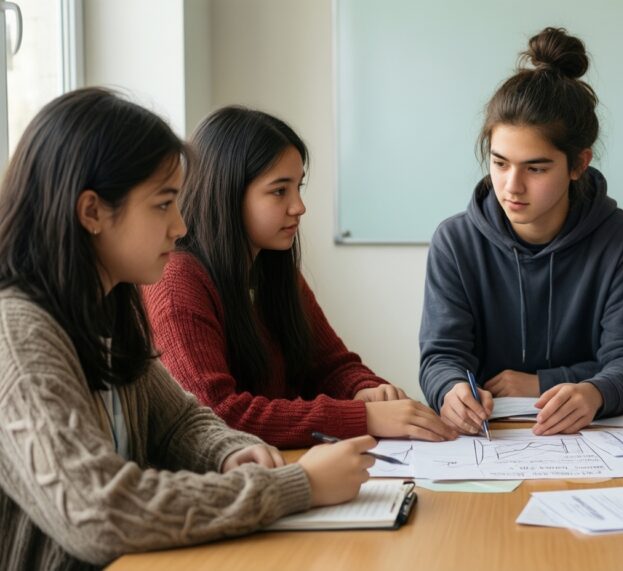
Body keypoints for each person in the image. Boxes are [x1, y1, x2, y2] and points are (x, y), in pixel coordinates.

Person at [0, 88, 376, 569]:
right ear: (91, 212)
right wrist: (294, 485)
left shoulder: (108, 305)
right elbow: (98, 512)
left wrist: (228, 452)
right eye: (163, 204)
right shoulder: (18, 332)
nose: (180, 226)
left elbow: (179, 418)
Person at [143, 107, 456, 448]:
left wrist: (365, 389)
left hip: (280, 466)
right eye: (280, 191)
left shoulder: (272, 268)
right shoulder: (177, 282)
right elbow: (218, 414)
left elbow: (330, 365)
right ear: (228, 192)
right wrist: (364, 417)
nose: (299, 206)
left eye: (298, 187)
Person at [419, 27, 623, 436]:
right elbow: (442, 356)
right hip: (491, 440)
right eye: (499, 163)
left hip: (589, 438)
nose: (512, 185)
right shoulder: (454, 242)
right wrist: (450, 389)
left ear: (578, 164)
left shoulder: (621, 238)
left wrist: (586, 390)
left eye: (536, 168)